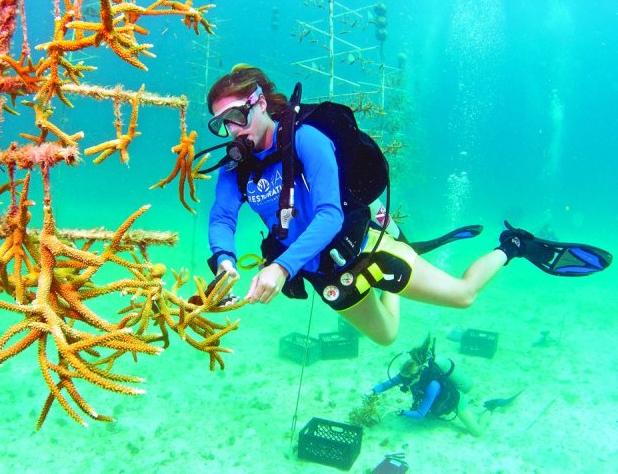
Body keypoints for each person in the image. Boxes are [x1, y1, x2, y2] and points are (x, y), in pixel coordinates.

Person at [205, 64, 611, 345]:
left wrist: (280, 267)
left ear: (260, 103)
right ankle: (402, 244)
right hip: (324, 271)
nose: (231, 130)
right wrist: (223, 260)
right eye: (221, 123)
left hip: (366, 249)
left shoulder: (307, 140)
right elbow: (223, 217)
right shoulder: (235, 168)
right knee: (386, 337)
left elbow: (329, 214)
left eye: (237, 116)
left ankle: (513, 247)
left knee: (463, 295)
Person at [367, 337, 519, 437]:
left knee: (477, 432)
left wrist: (400, 412)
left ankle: (491, 407)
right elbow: (387, 384)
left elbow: (420, 414)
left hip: (453, 400)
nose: (403, 382)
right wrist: (372, 391)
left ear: (416, 376)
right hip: (436, 402)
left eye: (406, 380)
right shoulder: (408, 375)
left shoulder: (432, 385)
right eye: (402, 378)